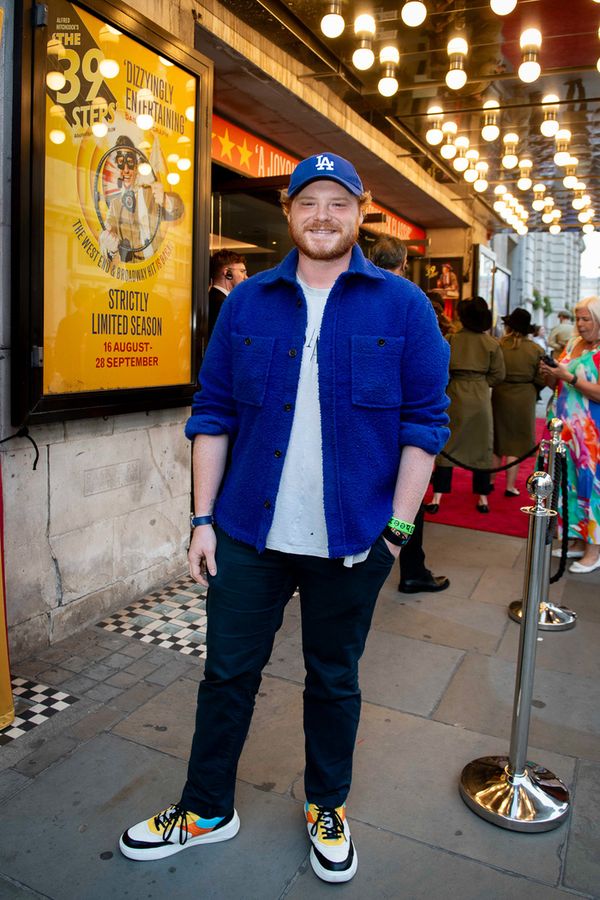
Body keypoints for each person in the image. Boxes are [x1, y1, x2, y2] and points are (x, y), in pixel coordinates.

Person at [119, 153, 450, 882]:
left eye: (338, 202)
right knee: (227, 674)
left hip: (353, 544)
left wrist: (396, 532)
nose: (323, 216)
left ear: (362, 208)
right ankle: (205, 809)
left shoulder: (402, 307)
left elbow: (426, 425)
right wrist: (202, 519)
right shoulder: (247, 302)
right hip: (246, 534)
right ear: (288, 209)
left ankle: (326, 804)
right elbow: (212, 414)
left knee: (334, 678)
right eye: (309, 202)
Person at [370, 236, 450, 594]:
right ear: (403, 263)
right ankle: (410, 567)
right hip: (400, 419)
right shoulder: (413, 301)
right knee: (408, 493)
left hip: (370, 422)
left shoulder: (359, 295)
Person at [426, 297, 505, 514]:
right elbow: (499, 375)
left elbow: (440, 369)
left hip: (454, 395)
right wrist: (480, 383)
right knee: (482, 446)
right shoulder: (491, 343)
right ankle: (482, 497)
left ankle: (438, 496)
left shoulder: (451, 338)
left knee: (448, 445)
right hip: (480, 398)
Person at [540, 295, 600, 574]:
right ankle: (575, 537)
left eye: (586, 318)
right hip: (563, 428)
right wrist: (550, 372)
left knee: (593, 488)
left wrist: (570, 377)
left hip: (592, 434)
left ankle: (594, 549)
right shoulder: (574, 343)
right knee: (569, 485)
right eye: (578, 318)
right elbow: (556, 382)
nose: (580, 323)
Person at [99, 135, 183, 262]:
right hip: (136, 277)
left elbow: (178, 209)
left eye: (130, 163)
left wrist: (166, 200)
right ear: (117, 168)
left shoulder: (151, 194)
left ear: (137, 166)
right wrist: (109, 247)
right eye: (121, 163)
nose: (126, 170)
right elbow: (105, 243)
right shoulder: (115, 206)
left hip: (157, 270)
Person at [491, 308, 545, 497]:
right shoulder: (536, 349)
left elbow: (493, 371)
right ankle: (510, 486)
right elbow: (542, 377)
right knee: (517, 442)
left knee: (498, 439)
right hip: (525, 396)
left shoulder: (499, 344)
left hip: (500, 393)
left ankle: (490, 482)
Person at [208, 250, 248, 334]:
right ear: (227, 273)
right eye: (242, 271)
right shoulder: (222, 304)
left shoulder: (214, 298)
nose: (246, 277)